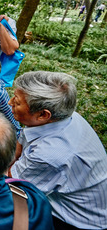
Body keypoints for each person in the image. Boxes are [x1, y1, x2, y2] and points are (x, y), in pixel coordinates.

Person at [9, 71, 107, 230]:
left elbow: (13, 183)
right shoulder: (61, 116)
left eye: (17, 101)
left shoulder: (51, 154)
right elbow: (21, 144)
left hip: (76, 221)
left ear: (42, 114)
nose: (9, 102)